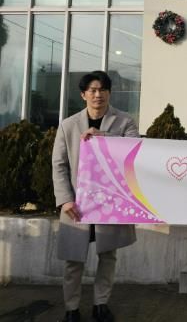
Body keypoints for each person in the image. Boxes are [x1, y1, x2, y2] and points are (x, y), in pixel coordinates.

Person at [52, 71, 139, 322]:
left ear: (109, 92)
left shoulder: (125, 121)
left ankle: (101, 304)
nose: (97, 94)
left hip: (109, 203)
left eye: (102, 89)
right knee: (73, 260)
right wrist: (65, 199)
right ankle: (71, 308)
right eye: (92, 90)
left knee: (108, 256)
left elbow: (134, 152)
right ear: (83, 95)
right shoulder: (68, 125)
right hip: (76, 203)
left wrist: (105, 138)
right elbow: (59, 164)